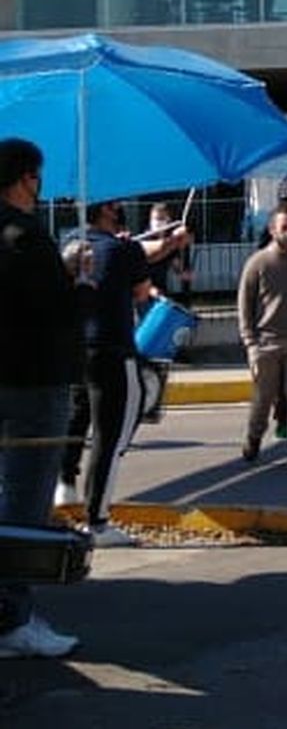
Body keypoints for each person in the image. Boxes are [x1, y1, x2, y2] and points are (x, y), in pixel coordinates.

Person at [0, 139, 84, 659]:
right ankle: (13, 618)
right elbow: (54, 311)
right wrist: (81, 282)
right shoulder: (25, 236)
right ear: (27, 178)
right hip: (33, 383)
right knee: (26, 500)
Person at [56, 199, 152, 546]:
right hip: (115, 349)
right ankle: (97, 520)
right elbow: (142, 293)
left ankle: (64, 483)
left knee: (78, 419)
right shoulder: (126, 249)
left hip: (80, 348)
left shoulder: (69, 243)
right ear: (109, 211)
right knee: (112, 439)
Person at [237, 201, 287, 472]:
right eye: (285, 227)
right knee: (263, 398)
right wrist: (250, 342)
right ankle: (253, 437)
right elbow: (244, 304)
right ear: (272, 230)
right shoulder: (258, 262)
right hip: (266, 341)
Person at [141, 200, 193, 311]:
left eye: (162, 219)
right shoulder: (145, 239)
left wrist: (182, 271)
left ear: (168, 220)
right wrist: (150, 289)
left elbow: (178, 265)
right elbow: (138, 273)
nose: (158, 224)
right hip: (143, 292)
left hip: (161, 289)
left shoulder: (169, 240)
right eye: (155, 219)